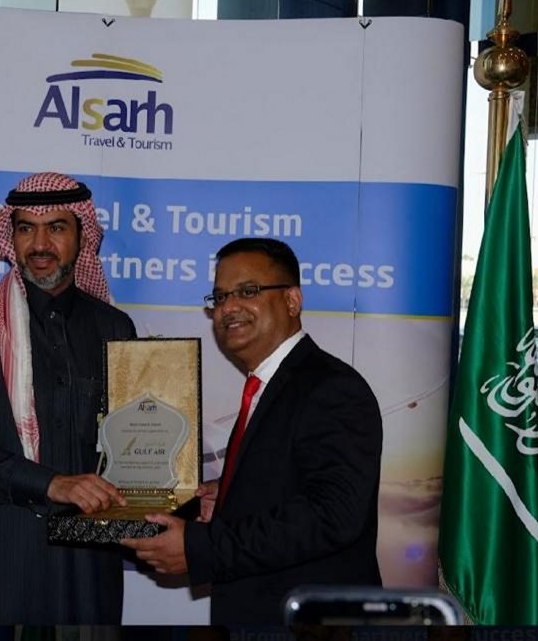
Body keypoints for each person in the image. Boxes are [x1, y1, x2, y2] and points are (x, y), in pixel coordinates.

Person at [121, 237, 382, 624]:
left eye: (247, 291)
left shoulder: (332, 388)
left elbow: (333, 515)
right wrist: (228, 495)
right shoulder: (265, 387)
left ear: (292, 300)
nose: (228, 307)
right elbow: (288, 483)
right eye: (219, 297)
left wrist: (202, 548)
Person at [0, 172, 136, 624]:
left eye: (56, 228)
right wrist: (50, 483)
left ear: (82, 236)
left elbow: (131, 444)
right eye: (26, 228)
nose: (40, 244)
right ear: (12, 236)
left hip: (87, 562)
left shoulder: (114, 328)